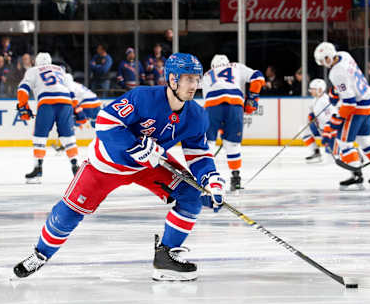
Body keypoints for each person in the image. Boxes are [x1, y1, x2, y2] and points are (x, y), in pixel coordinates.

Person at [13, 53, 226, 281]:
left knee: (192, 195)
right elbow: (105, 121)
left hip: (148, 164)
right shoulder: (144, 97)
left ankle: (165, 257)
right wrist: (133, 146)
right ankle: (40, 254)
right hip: (106, 164)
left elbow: (199, 155)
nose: (194, 85)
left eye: (196, 79)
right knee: (69, 213)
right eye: (188, 79)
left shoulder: (197, 116)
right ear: (172, 79)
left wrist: (210, 179)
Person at [314, 41, 370, 190]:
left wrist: (334, 122)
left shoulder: (336, 73)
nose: (323, 64)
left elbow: (349, 103)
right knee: (363, 139)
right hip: (368, 100)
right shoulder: (344, 55)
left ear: (329, 57)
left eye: (324, 60)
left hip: (358, 107)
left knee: (343, 141)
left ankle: (356, 176)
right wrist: (336, 92)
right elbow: (349, 82)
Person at [201, 54, 264, 191]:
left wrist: (220, 123)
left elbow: (208, 101)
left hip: (212, 105)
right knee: (233, 144)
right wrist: (253, 99)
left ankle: (205, 177)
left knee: (209, 143)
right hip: (234, 104)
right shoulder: (237, 67)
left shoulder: (207, 74)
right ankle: (236, 178)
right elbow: (258, 77)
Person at [16, 52, 79, 183]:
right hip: (65, 101)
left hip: (47, 102)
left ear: (36, 62)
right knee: (68, 137)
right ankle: (76, 166)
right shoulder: (60, 70)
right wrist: (76, 109)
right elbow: (71, 91)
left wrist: (23, 106)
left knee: (40, 137)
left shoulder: (33, 70)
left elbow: (23, 88)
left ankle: (38, 169)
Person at [301, 78, 338, 163]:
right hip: (321, 130)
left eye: (313, 89)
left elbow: (332, 119)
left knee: (331, 159)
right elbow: (312, 114)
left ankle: (356, 153)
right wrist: (311, 117)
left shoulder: (326, 101)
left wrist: (327, 131)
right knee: (303, 130)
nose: (311, 91)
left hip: (330, 132)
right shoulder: (314, 100)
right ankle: (316, 152)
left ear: (320, 90)